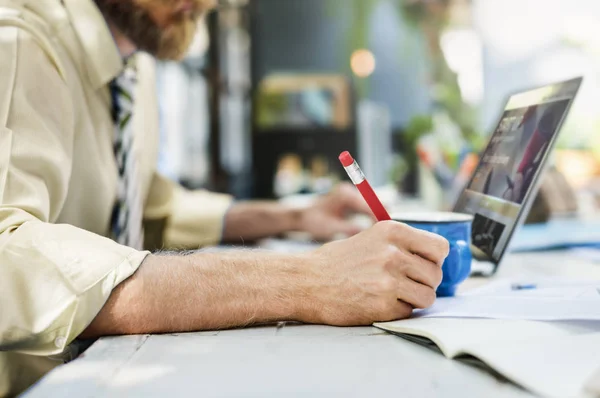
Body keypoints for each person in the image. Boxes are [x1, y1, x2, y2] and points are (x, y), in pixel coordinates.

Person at [0, 0, 449, 395]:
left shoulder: (132, 62)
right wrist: (308, 280)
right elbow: (9, 257)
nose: (207, 3)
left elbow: (154, 208)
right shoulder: (18, 43)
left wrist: (297, 215)